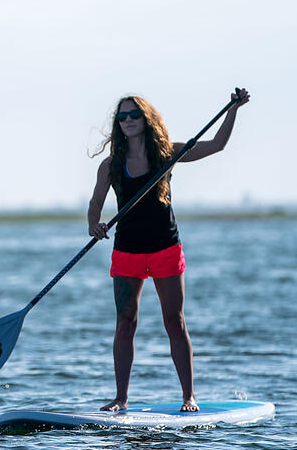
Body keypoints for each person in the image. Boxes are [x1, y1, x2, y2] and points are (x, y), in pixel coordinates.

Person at [86, 88, 251, 412]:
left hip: (165, 248)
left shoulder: (167, 154)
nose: (129, 120)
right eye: (122, 116)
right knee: (125, 321)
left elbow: (216, 145)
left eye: (135, 115)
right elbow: (95, 203)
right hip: (128, 251)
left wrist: (233, 109)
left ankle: (189, 396)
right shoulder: (111, 165)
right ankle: (121, 398)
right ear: (118, 124)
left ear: (146, 120)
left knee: (174, 321)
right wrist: (94, 225)